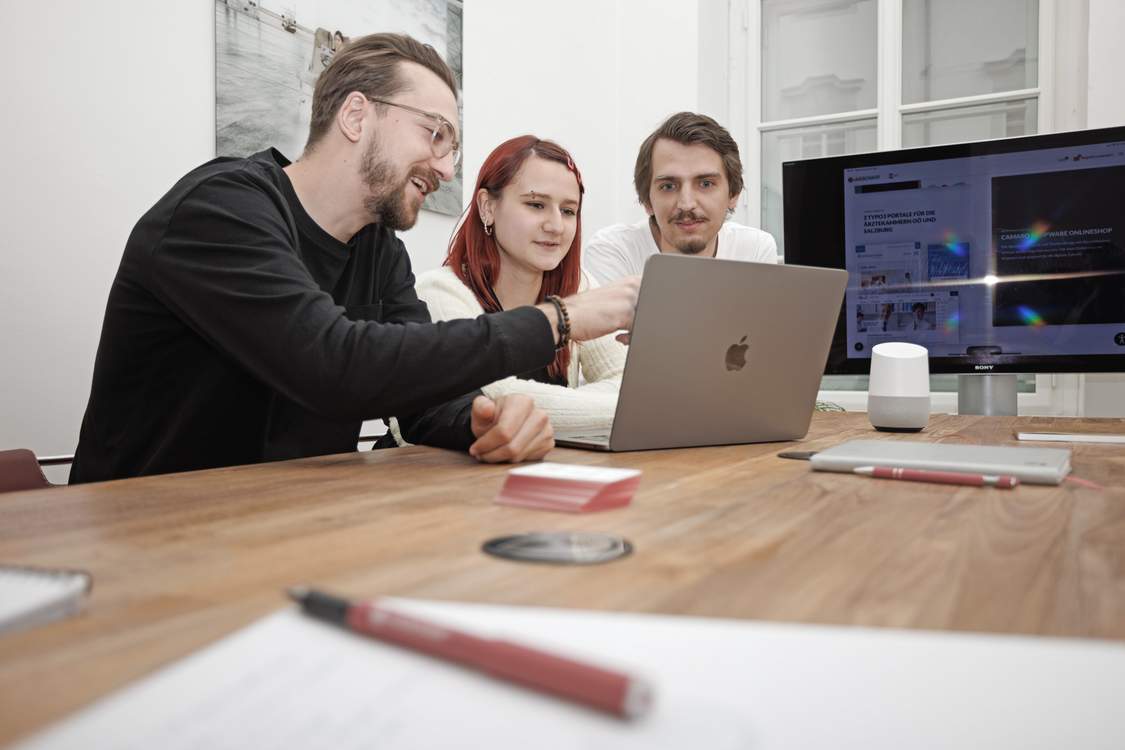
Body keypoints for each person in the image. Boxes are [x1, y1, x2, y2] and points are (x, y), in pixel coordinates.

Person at [69, 33, 638, 483]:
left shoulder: (378, 246)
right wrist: (561, 319)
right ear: (357, 115)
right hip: (143, 531)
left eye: (452, 148)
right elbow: (333, 366)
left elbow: (419, 401)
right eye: (434, 134)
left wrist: (481, 422)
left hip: (289, 522)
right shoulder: (219, 210)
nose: (445, 169)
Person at [404, 136, 626, 440]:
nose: (556, 226)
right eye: (536, 205)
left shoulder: (580, 285)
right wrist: (620, 409)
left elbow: (627, 383)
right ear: (487, 208)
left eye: (568, 211)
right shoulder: (440, 292)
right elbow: (493, 403)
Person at [582, 111, 777, 285]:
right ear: (647, 201)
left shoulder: (754, 250)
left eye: (705, 184)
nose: (687, 204)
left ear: (733, 194)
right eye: (668, 186)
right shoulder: (615, 252)